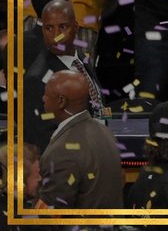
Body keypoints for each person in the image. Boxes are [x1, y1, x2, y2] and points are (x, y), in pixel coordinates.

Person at [22, 0, 105, 151]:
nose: (56, 36)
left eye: (63, 27)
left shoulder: (80, 59)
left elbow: (98, 103)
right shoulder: (37, 79)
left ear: (76, 27)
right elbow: (42, 140)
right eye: (49, 28)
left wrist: (106, 133)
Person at [35, 70, 123, 208]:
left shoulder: (62, 151)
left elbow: (51, 214)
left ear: (61, 101)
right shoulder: (105, 132)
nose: (43, 98)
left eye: (46, 94)